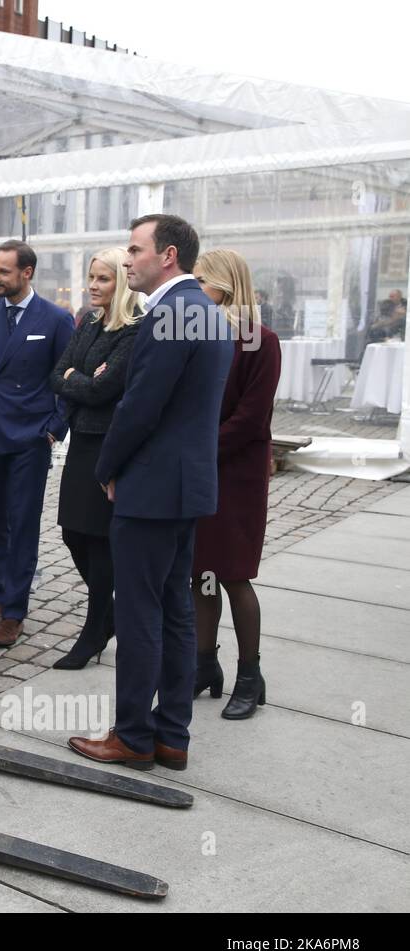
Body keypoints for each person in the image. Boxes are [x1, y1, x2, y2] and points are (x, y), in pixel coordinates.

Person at [68, 214, 233, 771]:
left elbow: (141, 406)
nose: (128, 259)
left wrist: (107, 467)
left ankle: (134, 737)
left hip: (151, 489)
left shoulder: (168, 316)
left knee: (140, 614)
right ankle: (172, 736)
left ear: (167, 256)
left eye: (135, 250)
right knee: (176, 612)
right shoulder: (207, 313)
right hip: (186, 489)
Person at [0, 240, 75, 647]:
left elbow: (68, 381)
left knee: (22, 523)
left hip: (29, 438)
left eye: (3, 272)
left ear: (27, 273)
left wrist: (53, 428)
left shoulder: (56, 319)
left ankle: (14, 611)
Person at [190, 249, 282, 720]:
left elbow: (251, 418)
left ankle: (251, 675)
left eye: (201, 281)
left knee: (233, 575)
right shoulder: (199, 335)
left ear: (225, 286)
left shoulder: (260, 341)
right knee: (199, 572)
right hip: (203, 468)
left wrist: (197, 445)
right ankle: (205, 665)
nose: (194, 289)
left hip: (237, 472)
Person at [48, 248, 143, 669]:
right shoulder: (87, 321)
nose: (92, 286)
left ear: (119, 282)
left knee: (99, 542)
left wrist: (78, 381)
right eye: (91, 278)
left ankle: (94, 631)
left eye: (102, 279)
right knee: (72, 533)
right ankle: (109, 616)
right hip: (82, 443)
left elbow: (106, 390)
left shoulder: (135, 329)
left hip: (110, 444)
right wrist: (82, 379)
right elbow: (58, 374)